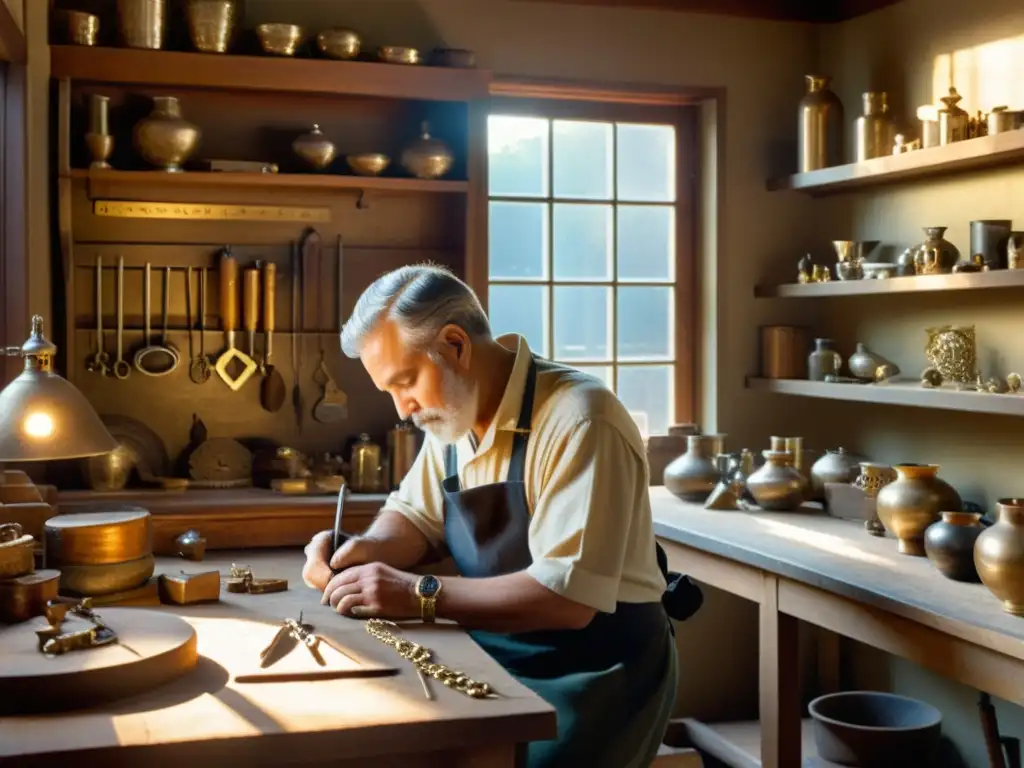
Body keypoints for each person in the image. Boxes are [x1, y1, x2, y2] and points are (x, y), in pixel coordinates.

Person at [302, 264, 702, 768]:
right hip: (495, 654)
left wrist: (414, 594)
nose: (402, 409)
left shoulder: (581, 418)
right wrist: (362, 551)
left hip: (596, 671)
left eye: (405, 383)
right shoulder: (451, 417)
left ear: (455, 345)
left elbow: (567, 599)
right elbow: (414, 516)